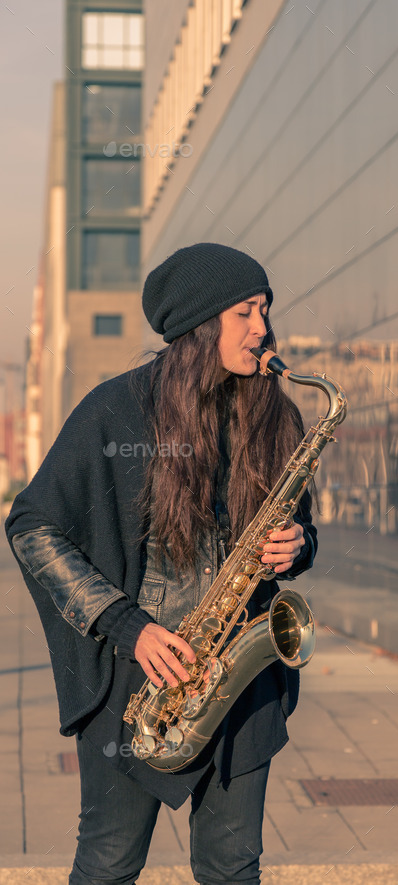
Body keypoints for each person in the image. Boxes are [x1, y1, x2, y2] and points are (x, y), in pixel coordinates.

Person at [5, 243, 317, 885]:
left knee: (234, 870)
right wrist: (128, 627)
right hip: (140, 686)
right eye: (245, 312)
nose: (262, 328)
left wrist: (299, 545)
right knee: (109, 866)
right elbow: (32, 526)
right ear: (201, 326)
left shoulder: (277, 412)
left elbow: (301, 523)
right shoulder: (114, 410)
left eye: (264, 309)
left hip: (242, 682)